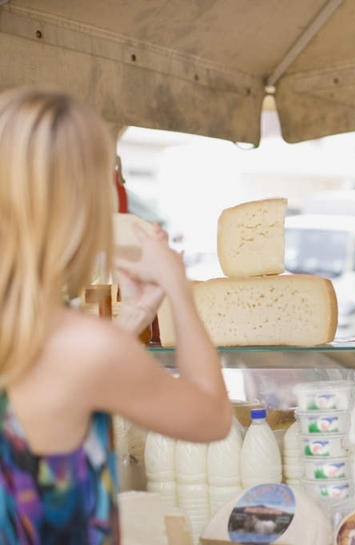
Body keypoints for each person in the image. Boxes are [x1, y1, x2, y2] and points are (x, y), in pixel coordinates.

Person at [0, 88, 232, 542]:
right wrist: (178, 291)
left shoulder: (75, 345)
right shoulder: (84, 349)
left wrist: (128, 325)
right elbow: (212, 416)